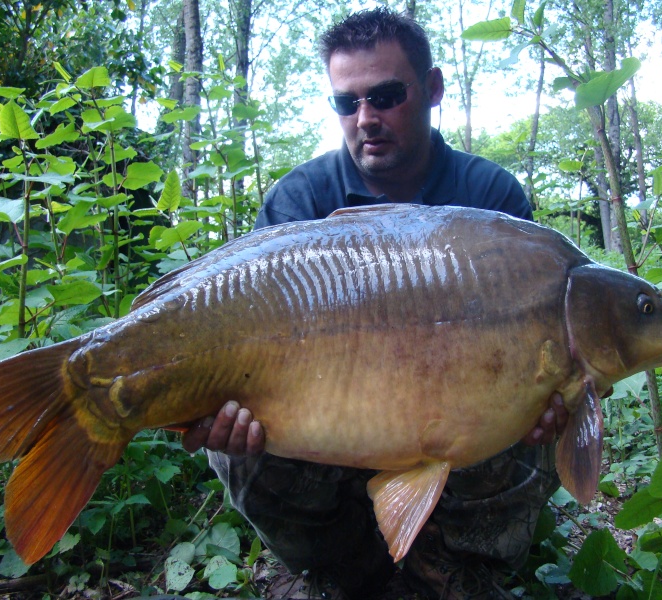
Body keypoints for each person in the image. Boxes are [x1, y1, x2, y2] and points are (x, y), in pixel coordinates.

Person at [183, 8, 567, 600]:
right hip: (328, 428)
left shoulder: (491, 200)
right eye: (346, 102)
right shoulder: (299, 200)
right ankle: (343, 575)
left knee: (535, 413)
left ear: (432, 89)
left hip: (456, 425)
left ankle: (452, 576)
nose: (366, 119)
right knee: (236, 445)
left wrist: (537, 400)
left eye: (386, 95)